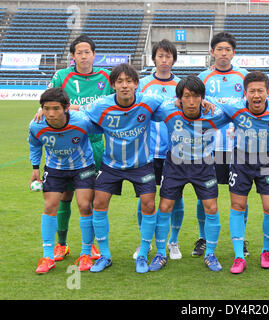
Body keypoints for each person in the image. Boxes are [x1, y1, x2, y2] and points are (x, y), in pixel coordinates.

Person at [209, 71, 269, 274]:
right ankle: (238, 257)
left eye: (260, 91)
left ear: (268, 92)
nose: (256, 95)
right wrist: (203, 102)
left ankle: (266, 251)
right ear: (245, 93)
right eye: (251, 91)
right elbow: (206, 97)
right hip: (241, 160)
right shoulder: (235, 107)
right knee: (238, 206)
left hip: (267, 160)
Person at [79, 63, 166, 272]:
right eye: (120, 82)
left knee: (148, 204)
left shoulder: (149, 102)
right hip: (111, 165)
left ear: (136, 84)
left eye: (129, 81)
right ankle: (105, 255)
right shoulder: (101, 105)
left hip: (141, 164)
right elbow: (80, 114)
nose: (124, 85)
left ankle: (143, 254)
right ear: (113, 85)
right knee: (98, 203)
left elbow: (174, 105)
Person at [144, 75, 230, 273]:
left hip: (204, 165)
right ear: (180, 98)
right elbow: (148, 105)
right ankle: (160, 253)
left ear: (202, 97)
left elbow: (236, 106)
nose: (191, 101)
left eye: (196, 96)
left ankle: (210, 254)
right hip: (175, 164)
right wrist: (172, 101)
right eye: (187, 96)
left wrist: (213, 102)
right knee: (165, 207)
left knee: (211, 207)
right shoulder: (168, 110)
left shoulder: (214, 114)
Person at [46, 35, 113, 261]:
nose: (84, 56)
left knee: (90, 199)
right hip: (65, 145)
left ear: (94, 54)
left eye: (87, 52)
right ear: (73, 56)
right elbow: (48, 102)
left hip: (94, 144)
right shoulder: (62, 76)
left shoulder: (106, 77)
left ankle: (90, 244)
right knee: (64, 196)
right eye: (79, 52)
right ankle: (61, 244)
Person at [28, 87, 102, 273]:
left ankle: (86, 253)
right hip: (55, 169)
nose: (50, 114)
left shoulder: (82, 121)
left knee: (84, 205)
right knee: (50, 206)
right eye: (46, 108)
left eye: (55, 109)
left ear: (66, 108)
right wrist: (35, 168)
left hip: (83, 167)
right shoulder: (36, 125)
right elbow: (35, 144)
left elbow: (102, 126)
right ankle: (47, 257)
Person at [194, 32, 249, 258]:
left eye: (227, 50)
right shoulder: (203, 77)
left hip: (238, 147)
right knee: (205, 195)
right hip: (209, 145)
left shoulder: (244, 77)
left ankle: (241, 239)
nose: (223, 53)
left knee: (240, 196)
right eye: (219, 49)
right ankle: (203, 237)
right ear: (212, 52)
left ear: (233, 53)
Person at [133, 39, 184, 261]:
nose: (164, 61)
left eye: (168, 56)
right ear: (153, 58)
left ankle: (173, 241)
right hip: (146, 151)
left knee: (176, 198)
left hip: (175, 151)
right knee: (145, 198)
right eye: (160, 56)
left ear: (174, 59)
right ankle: (145, 242)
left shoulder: (182, 86)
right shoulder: (142, 84)